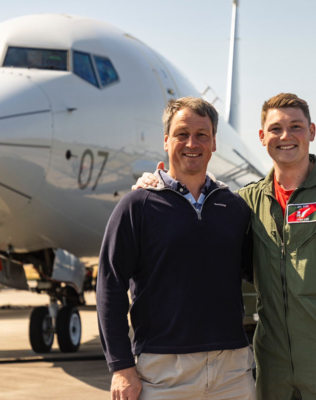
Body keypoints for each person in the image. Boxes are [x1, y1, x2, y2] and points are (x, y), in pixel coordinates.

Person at [134, 93, 316, 399]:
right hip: (271, 364)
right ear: (262, 137)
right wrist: (158, 185)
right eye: (275, 129)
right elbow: (204, 206)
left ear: (311, 132)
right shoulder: (246, 202)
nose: (285, 136)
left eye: (296, 127)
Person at [98, 97, 255, 400]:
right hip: (163, 372)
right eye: (182, 134)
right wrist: (121, 366)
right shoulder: (138, 205)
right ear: (166, 141)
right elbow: (110, 285)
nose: (191, 143)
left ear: (213, 143)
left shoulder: (234, 207)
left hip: (232, 371)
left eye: (202, 135)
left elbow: (259, 272)